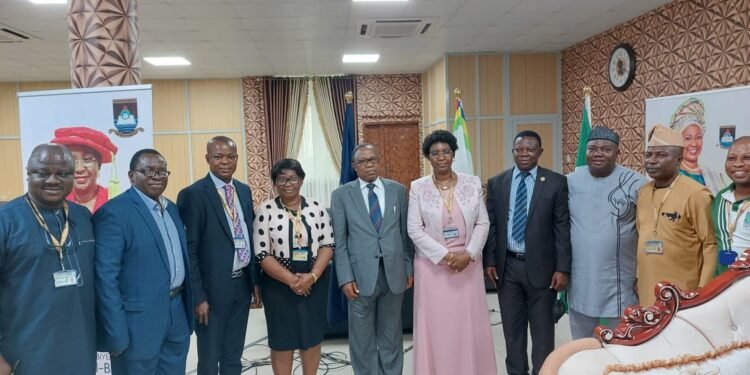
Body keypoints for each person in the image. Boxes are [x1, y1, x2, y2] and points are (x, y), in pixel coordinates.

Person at [94, 149, 193, 375]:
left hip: (176, 313)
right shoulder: (114, 213)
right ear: (131, 176)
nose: (157, 176)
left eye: (162, 171)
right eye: (148, 171)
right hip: (136, 323)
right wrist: (114, 331)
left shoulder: (173, 210)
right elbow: (105, 278)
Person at [0, 144, 97, 374]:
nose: (53, 180)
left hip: (80, 350)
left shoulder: (82, 217)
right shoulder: (6, 220)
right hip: (25, 354)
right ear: (28, 173)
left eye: (63, 173)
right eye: (43, 173)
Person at [407, 130, 496, 375]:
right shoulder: (418, 187)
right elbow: (414, 230)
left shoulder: (472, 183)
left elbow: (483, 223)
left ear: (454, 154)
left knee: (467, 324)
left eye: (446, 151)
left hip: (468, 264)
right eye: (435, 153)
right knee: (438, 326)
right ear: (428, 157)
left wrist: (468, 254)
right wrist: (447, 257)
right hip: (432, 266)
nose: (441, 157)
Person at [483, 130, 571, 375]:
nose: (523, 154)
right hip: (507, 267)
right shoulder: (497, 182)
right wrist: (489, 260)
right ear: (513, 151)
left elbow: (562, 227)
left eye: (530, 149)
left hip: (543, 269)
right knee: (512, 332)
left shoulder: (555, 182)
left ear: (540, 153)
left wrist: (562, 268)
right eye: (518, 149)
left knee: (543, 332)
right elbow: (492, 226)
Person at [177, 136, 260, 375]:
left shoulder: (243, 191)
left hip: (241, 285)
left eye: (231, 156)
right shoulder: (193, 195)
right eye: (218, 156)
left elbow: (247, 235)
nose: (225, 161)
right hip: (210, 293)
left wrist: (254, 281)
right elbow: (190, 251)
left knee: (234, 355)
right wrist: (198, 297)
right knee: (210, 359)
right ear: (207, 159)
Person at [331, 143, 413, 375]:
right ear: (354, 166)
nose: (369, 165)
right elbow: (341, 241)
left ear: (379, 161)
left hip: (394, 275)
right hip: (359, 278)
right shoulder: (341, 195)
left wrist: (408, 268)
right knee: (362, 340)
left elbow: (404, 235)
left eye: (373, 160)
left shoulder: (397, 190)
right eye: (363, 162)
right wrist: (345, 278)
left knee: (392, 336)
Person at [252, 159, 334, 375]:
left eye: (292, 179)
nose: (287, 184)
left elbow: (328, 244)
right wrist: (293, 281)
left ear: (301, 180)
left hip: (315, 282)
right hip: (278, 285)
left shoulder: (316, 208)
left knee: (312, 336)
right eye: (281, 179)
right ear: (274, 183)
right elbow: (262, 253)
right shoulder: (265, 210)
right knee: (282, 339)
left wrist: (312, 277)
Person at [567, 126, 645, 339]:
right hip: (580, 275)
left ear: (617, 153)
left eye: (606, 149)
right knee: (582, 343)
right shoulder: (570, 181)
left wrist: (641, 273)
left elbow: (647, 228)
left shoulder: (636, 183)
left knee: (621, 340)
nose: (598, 153)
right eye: (592, 148)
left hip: (620, 277)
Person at [636, 125, 717, 306]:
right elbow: (641, 237)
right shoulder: (643, 192)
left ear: (678, 160)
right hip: (647, 289)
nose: (652, 161)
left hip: (684, 295)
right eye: (648, 155)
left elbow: (710, 246)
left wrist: (703, 292)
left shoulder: (697, 194)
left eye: (661, 155)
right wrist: (637, 276)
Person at [51, 126, 119, 212]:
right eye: (72, 160)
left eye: (88, 159)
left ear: (99, 166)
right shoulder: (55, 203)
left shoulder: (115, 200)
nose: (79, 169)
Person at [670, 97, 728, 194]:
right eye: (688, 138)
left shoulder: (714, 175)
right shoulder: (672, 175)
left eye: (698, 137)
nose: (694, 143)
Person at [713, 136, 750, 272]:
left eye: (747, 158)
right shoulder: (720, 197)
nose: (738, 164)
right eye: (732, 158)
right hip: (721, 283)